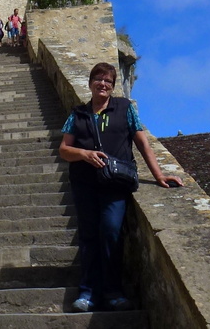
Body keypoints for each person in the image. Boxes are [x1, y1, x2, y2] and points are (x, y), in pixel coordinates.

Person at [58, 62, 183, 313]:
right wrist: (83, 153)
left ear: (113, 87)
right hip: (85, 184)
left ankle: (113, 291)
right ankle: (88, 292)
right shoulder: (78, 114)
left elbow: (143, 143)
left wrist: (158, 175)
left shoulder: (124, 108)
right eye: (99, 79)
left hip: (115, 184)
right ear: (90, 82)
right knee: (89, 236)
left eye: (108, 81)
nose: (103, 84)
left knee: (112, 233)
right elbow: (64, 149)